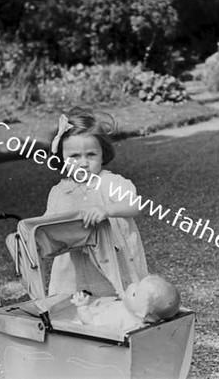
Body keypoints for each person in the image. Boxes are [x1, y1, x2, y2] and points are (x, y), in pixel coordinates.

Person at [45, 107, 149, 297]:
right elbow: (49, 223)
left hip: (115, 256)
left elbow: (134, 205)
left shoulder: (111, 183)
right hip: (76, 261)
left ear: (103, 154)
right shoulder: (60, 192)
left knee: (120, 295)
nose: (83, 163)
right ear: (61, 158)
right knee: (77, 300)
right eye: (74, 156)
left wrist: (108, 209)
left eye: (91, 155)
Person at [70, 275, 181, 332]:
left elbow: (91, 323)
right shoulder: (146, 318)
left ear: (141, 312)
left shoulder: (118, 317)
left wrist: (82, 307)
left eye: (134, 294)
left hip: (88, 328)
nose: (132, 286)